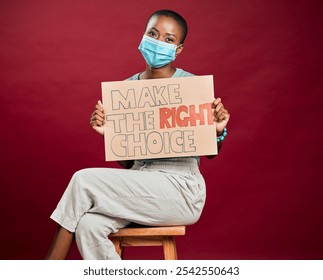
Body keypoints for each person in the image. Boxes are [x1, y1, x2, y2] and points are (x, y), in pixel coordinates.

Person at [46, 9, 230, 260]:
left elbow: (209, 154)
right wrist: (108, 135)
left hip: (180, 190)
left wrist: (217, 133)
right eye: (153, 34)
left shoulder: (191, 86)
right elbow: (131, 162)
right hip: (140, 186)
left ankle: (46, 269)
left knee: (83, 180)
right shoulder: (126, 90)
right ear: (143, 36)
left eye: (168, 39)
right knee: (89, 225)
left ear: (178, 50)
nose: (158, 43)